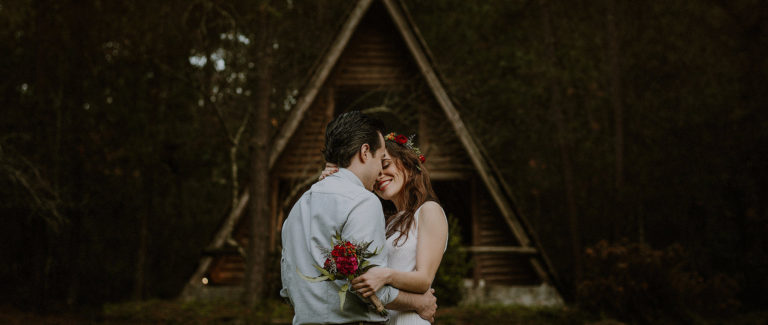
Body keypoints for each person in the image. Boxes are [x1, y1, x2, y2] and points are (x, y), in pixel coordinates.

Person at [280, 111, 437, 325]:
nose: (379, 172)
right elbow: (370, 287)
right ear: (365, 152)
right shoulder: (363, 202)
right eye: (381, 160)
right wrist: (419, 303)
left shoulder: (298, 207)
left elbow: (288, 287)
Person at [320, 132, 449, 325]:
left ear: (407, 162)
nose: (380, 176)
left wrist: (384, 275)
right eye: (376, 170)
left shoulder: (429, 211)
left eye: (386, 164)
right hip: (383, 317)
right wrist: (333, 181)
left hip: (409, 319)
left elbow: (423, 279)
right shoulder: (387, 222)